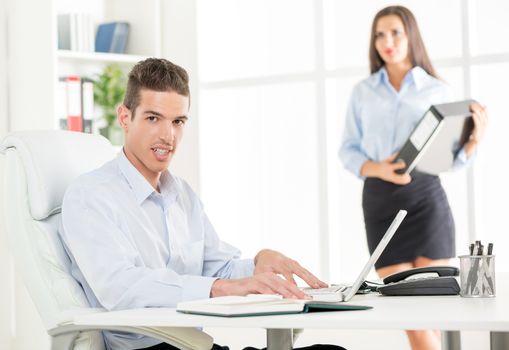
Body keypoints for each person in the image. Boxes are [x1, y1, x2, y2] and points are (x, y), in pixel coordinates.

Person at [59, 58, 345, 350]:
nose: (168, 136)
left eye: (178, 122)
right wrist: (219, 289)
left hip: (192, 345)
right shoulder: (91, 195)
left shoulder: (181, 194)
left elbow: (216, 270)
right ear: (124, 118)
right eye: (153, 118)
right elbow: (121, 287)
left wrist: (257, 266)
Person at [339, 5, 487, 350]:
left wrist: (475, 139)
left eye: (395, 33)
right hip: (380, 201)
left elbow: (451, 160)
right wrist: (379, 168)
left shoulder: (436, 89)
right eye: (380, 34)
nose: (387, 41)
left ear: (411, 37)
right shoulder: (363, 92)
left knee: (434, 310)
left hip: (426, 200)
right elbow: (348, 150)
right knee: (409, 315)